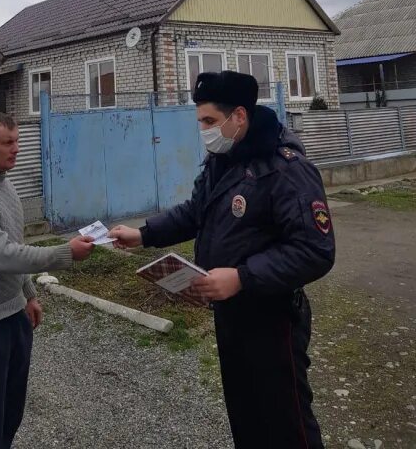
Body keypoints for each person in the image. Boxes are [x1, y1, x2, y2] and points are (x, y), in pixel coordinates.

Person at [111, 71, 334, 449]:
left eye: (210, 121)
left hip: (272, 317)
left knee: (286, 421)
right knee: (246, 416)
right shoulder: (223, 159)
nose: (204, 131)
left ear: (239, 117)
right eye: (201, 122)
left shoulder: (286, 169)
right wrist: (144, 234)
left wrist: (242, 277)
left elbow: (315, 250)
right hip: (232, 314)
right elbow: (196, 211)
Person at [0, 112, 94, 449]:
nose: (16, 149)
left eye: (18, 141)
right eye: (7, 143)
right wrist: (65, 253)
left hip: (13, 319)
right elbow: (3, 254)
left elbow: (14, 242)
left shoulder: (6, 184)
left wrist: (28, 294)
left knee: (9, 416)